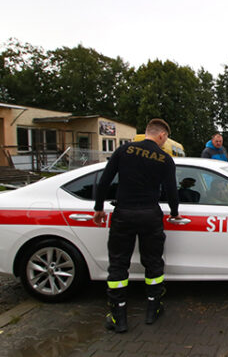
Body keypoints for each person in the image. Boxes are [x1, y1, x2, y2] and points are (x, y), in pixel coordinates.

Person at [93, 118, 182, 333]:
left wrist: (98, 208)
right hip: (150, 215)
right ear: (161, 135)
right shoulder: (165, 159)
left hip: (123, 213)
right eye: (166, 139)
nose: (165, 143)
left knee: (118, 264)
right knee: (153, 263)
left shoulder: (124, 151)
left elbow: (105, 180)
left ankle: (118, 316)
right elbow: (172, 191)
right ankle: (153, 309)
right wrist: (175, 213)